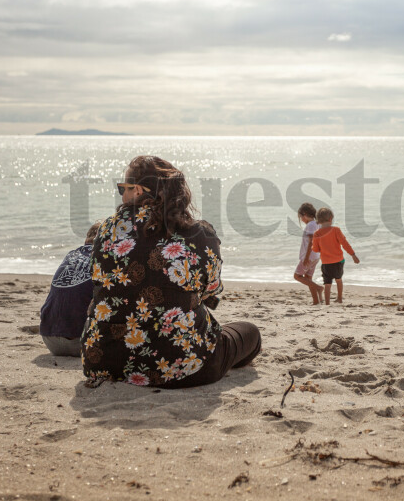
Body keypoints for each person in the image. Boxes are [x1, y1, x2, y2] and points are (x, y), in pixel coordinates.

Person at [80, 155, 261, 388]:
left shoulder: (105, 230)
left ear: (137, 191)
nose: (121, 195)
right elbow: (211, 291)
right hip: (181, 365)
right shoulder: (200, 235)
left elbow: (99, 280)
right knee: (250, 334)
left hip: (102, 360)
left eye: (122, 188)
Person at [40, 220, 103, 357]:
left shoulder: (71, 255)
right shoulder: (105, 258)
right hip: (81, 343)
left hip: (50, 339)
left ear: (87, 238)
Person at [311, 207, 359, 305]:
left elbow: (315, 249)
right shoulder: (336, 230)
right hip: (338, 261)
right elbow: (345, 244)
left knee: (327, 284)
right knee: (339, 279)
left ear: (318, 220)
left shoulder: (317, 234)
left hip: (326, 263)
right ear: (331, 219)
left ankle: (327, 303)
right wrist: (353, 255)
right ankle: (339, 298)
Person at [293, 203, 323, 305]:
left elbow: (311, 241)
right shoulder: (317, 224)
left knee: (297, 276)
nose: (301, 219)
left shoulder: (310, 225)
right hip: (316, 256)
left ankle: (319, 288)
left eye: (301, 217)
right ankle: (315, 301)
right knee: (308, 278)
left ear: (305, 214)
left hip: (309, 256)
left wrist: (306, 258)